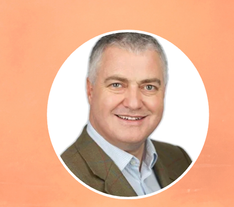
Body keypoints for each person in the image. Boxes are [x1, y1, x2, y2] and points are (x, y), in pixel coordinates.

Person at [61, 32, 191, 197]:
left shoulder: (179, 159)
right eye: (117, 85)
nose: (134, 103)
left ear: (163, 93)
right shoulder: (65, 176)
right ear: (90, 90)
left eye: (149, 87)